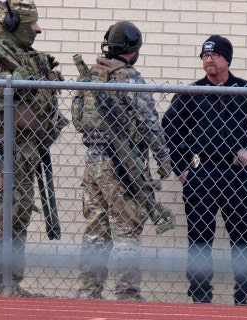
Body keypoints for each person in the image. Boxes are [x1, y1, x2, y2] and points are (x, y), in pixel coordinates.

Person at [0, 0, 66, 296]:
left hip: (26, 146)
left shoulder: (23, 53)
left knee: (19, 211)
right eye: (32, 24)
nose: (37, 30)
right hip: (1, 144)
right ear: (12, 23)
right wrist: (11, 81)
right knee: (1, 207)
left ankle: (8, 282)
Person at [161, 35, 247, 305]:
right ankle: (200, 297)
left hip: (237, 175)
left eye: (213, 55)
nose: (208, 59)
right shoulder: (192, 93)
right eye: (204, 55)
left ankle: (246, 296)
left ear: (227, 59)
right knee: (199, 240)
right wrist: (181, 169)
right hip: (202, 174)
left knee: (245, 237)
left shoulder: (246, 90)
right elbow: (170, 132)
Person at [70, 21, 174, 301]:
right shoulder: (128, 77)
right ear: (132, 48)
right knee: (127, 230)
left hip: (93, 163)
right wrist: (164, 159)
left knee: (96, 231)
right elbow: (150, 122)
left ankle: (88, 293)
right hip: (122, 165)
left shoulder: (89, 76)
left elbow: (79, 120)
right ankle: (127, 296)